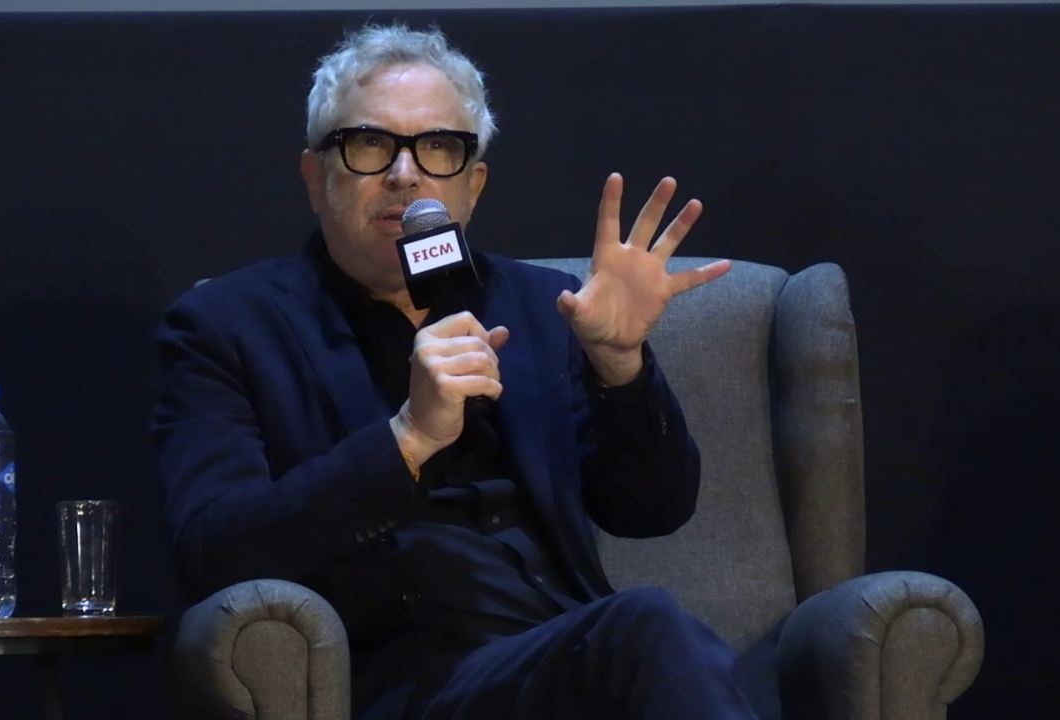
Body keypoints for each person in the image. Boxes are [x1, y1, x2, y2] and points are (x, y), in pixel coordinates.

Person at [154, 23, 756, 720]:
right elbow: (212, 553)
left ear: (472, 186)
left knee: (645, 634)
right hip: (403, 681)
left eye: (438, 148)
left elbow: (653, 509)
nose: (405, 174)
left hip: (566, 655)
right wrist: (406, 438)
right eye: (370, 144)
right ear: (315, 177)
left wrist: (621, 367)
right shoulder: (226, 327)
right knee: (647, 627)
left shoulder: (544, 309)